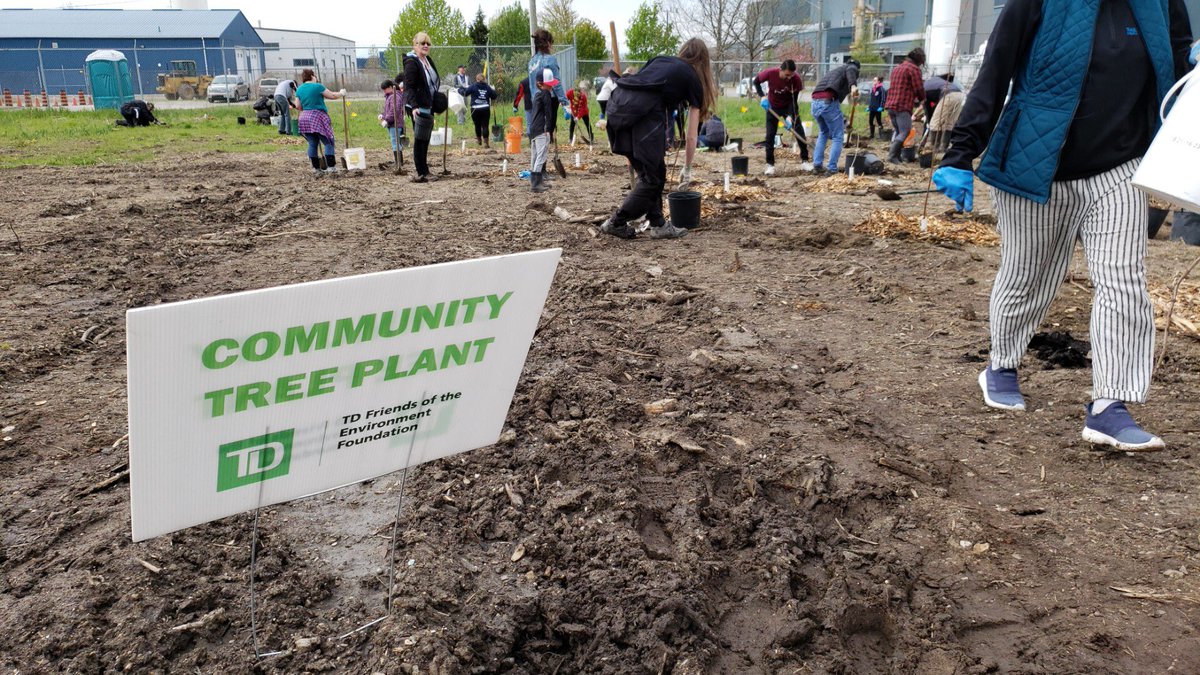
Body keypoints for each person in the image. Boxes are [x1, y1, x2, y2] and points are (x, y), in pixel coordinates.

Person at [932, 0, 1193, 451]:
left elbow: (1179, 67)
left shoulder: (1162, 3)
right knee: (1028, 278)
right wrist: (960, 153)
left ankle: (1110, 404)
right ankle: (1002, 364)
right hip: (1036, 167)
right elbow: (995, 73)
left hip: (1121, 167)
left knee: (1123, 282)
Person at [600, 37, 717, 240]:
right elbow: (691, 136)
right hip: (643, 114)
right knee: (652, 179)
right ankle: (615, 222)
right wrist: (687, 169)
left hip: (618, 107)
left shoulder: (660, 59)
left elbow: (642, 84)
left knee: (653, 173)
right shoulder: (692, 77)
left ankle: (658, 223)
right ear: (703, 61)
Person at [526, 29, 571, 193]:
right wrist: (564, 102)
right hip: (548, 99)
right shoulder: (549, 60)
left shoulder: (532, 61)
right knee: (545, 134)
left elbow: (531, 83)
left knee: (538, 136)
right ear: (549, 43)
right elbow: (556, 83)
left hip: (535, 99)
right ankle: (540, 173)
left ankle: (540, 171)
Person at [753, 59, 806, 175]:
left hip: (788, 107)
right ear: (780, 70)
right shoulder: (770, 73)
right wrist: (762, 97)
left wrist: (791, 117)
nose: (789, 78)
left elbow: (794, 101)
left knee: (799, 131)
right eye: (787, 75)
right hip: (772, 107)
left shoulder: (795, 79)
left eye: (791, 75)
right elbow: (756, 82)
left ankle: (805, 160)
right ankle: (770, 165)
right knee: (770, 136)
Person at [809, 58, 860, 175]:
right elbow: (851, 70)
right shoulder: (851, 68)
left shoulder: (836, 72)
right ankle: (831, 168)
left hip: (815, 103)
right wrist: (853, 86)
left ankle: (817, 165)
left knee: (823, 132)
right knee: (838, 136)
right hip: (827, 101)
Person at [403, 31, 441, 183]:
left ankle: (425, 170)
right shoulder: (412, 62)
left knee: (425, 139)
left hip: (428, 104)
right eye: (422, 43)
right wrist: (413, 106)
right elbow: (409, 86)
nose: (425, 46)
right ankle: (421, 172)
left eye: (428, 43)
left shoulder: (427, 60)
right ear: (415, 45)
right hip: (417, 106)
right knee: (420, 139)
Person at [295, 68, 346, 176]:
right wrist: (341, 93)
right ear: (312, 76)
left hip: (304, 117)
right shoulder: (318, 86)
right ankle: (331, 168)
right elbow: (332, 95)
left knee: (312, 143)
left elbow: (298, 106)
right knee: (328, 141)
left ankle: (316, 169)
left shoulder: (299, 89)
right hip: (317, 117)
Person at [885, 48, 926, 164]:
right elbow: (918, 87)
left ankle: (896, 157)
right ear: (919, 60)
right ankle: (892, 156)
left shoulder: (897, 68)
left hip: (891, 104)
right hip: (902, 105)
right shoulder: (913, 69)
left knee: (898, 131)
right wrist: (923, 99)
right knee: (905, 131)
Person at [927, 75, 964, 154]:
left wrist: (928, 122)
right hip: (960, 95)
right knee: (949, 123)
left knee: (935, 123)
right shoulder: (933, 82)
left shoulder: (923, 89)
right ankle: (944, 148)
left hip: (948, 94)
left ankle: (934, 149)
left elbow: (928, 109)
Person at [458, 74, 497, 147]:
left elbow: (465, 93)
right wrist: (493, 90)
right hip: (485, 108)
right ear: (484, 79)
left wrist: (459, 90)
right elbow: (494, 96)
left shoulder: (473, 86)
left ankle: (479, 140)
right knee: (485, 126)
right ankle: (486, 142)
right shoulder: (487, 87)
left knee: (477, 125)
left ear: (477, 79)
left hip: (475, 108)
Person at [379, 79, 406, 154]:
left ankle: (399, 162)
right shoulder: (390, 96)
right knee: (395, 142)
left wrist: (387, 120)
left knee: (396, 143)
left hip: (396, 124)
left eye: (385, 89)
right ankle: (398, 162)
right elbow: (388, 110)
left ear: (390, 87)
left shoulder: (395, 97)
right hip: (392, 124)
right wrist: (383, 116)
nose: (384, 91)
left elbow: (394, 111)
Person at [566, 81, 594, 145]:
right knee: (572, 125)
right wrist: (566, 107)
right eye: (575, 94)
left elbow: (583, 109)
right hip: (573, 111)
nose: (577, 96)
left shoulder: (583, 97)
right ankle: (570, 138)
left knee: (587, 124)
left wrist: (578, 117)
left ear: (580, 93)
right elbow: (565, 98)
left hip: (584, 112)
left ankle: (591, 137)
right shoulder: (570, 92)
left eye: (578, 94)